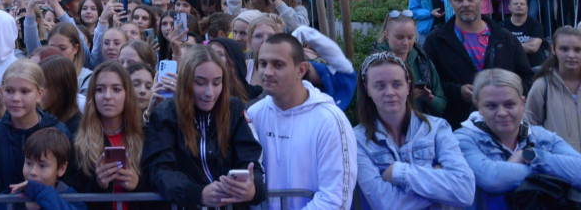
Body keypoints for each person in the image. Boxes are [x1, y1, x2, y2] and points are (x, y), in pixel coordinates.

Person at [143, 45, 266, 208]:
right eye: (200, 83)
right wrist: (197, 193)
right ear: (185, 81)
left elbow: (252, 161)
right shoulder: (166, 114)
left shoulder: (234, 109)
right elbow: (159, 170)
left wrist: (253, 188)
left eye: (217, 83)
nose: (210, 92)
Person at [247, 33, 357, 210]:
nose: (267, 72)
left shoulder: (331, 121)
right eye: (263, 64)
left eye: (278, 64)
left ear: (301, 69)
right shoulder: (254, 114)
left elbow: (335, 199)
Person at [353, 52, 475, 210]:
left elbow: (465, 191)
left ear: (408, 86)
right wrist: (439, 183)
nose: (390, 92)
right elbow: (386, 204)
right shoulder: (357, 140)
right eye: (380, 85)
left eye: (397, 84)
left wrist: (399, 172)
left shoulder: (437, 128)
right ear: (367, 89)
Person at [455, 68, 581, 209]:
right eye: (491, 106)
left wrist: (531, 156)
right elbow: (492, 179)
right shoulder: (463, 140)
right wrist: (554, 172)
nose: (502, 113)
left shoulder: (541, 137)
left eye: (510, 104)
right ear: (479, 106)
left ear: (522, 103)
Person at [424, 0, 533, 128]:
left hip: (503, 125)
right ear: (450, 2)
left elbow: (526, 77)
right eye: (459, 0)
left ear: (481, 0)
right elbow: (428, 83)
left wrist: (503, 93)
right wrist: (457, 91)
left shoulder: (505, 38)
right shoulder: (436, 40)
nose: (466, 4)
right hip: (457, 126)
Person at [0, 59, 70, 196]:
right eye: (9, 91)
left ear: (39, 94)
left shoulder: (58, 132)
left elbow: (68, 181)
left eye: (25, 91)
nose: (16, 98)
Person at [72, 62, 144, 206]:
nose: (108, 96)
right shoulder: (77, 143)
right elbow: (74, 197)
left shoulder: (146, 137)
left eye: (116, 89)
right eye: (100, 90)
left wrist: (138, 184)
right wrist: (98, 185)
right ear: (92, 95)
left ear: (127, 94)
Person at [375, 10, 446, 116]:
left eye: (410, 37)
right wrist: (405, 98)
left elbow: (442, 104)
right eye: (399, 37)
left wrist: (429, 99)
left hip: (422, 127)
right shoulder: (374, 64)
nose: (405, 43)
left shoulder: (423, 60)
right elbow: (366, 107)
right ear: (387, 35)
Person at [525, 26, 581, 152]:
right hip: (559, 164)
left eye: (578, 50)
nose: (571, 55)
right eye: (564, 49)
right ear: (554, 49)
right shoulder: (542, 85)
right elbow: (530, 126)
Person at [501, 0, 547, 70]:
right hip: (511, 67)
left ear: (527, 8)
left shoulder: (536, 25)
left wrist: (509, 44)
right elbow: (502, 48)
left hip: (533, 67)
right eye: (516, 4)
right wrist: (525, 45)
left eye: (522, 4)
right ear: (509, 7)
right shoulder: (502, 26)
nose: (519, 5)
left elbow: (533, 48)